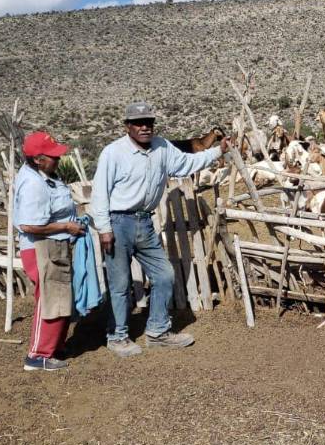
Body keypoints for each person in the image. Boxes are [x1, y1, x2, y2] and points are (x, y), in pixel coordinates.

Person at [89, 102, 232, 358]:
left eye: (149, 122)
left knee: (164, 275)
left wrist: (217, 151)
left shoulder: (162, 147)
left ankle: (157, 331)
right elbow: (100, 192)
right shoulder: (113, 153)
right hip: (118, 222)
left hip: (145, 221)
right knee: (120, 283)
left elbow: (188, 163)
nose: (145, 127)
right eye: (138, 123)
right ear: (128, 126)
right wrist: (103, 228)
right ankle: (118, 336)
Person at [14, 131, 85, 372]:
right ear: (37, 159)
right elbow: (29, 225)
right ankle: (38, 355)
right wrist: (66, 226)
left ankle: (53, 347)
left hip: (52, 245)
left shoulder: (45, 176)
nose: (58, 160)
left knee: (59, 296)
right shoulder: (34, 184)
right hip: (41, 247)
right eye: (52, 156)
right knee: (49, 298)